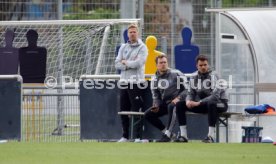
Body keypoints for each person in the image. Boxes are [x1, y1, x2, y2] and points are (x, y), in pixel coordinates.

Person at [175, 54, 228, 143]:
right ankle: (183, 136)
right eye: (201, 65)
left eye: (205, 65)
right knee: (180, 104)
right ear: (197, 66)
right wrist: (188, 100)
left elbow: (215, 96)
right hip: (204, 104)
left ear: (208, 65)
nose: (203, 67)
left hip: (220, 103)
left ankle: (210, 137)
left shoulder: (214, 75)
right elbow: (190, 93)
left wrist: (198, 103)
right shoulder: (194, 77)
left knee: (212, 103)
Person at [115, 23, 148, 142]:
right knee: (123, 109)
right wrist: (128, 64)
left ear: (137, 33)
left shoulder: (142, 47)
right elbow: (117, 63)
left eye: (134, 32)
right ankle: (125, 136)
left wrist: (126, 63)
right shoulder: (123, 47)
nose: (132, 34)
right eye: (130, 32)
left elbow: (138, 63)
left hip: (136, 82)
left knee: (137, 110)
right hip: (124, 82)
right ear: (127, 34)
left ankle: (138, 136)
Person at [144, 54, 186, 142]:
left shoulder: (176, 73)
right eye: (161, 63)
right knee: (148, 114)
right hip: (165, 103)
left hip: (181, 102)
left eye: (165, 62)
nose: (163, 64)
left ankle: (167, 135)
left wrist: (179, 97)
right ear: (157, 65)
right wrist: (156, 105)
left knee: (172, 105)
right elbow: (155, 96)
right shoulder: (154, 79)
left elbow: (188, 89)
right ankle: (169, 134)